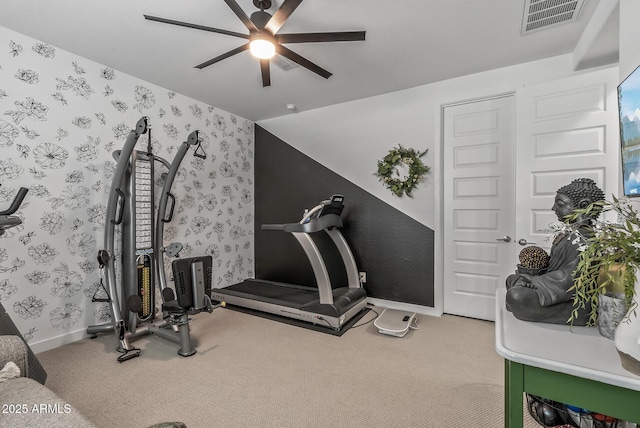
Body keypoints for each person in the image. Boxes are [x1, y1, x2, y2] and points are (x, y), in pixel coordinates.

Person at [505, 178, 605, 325]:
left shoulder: (585, 240)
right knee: (511, 279)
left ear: (583, 206)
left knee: (516, 296)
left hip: (571, 300)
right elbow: (555, 269)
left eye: (560, 204)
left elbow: (570, 279)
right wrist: (531, 275)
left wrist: (533, 281)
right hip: (551, 287)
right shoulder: (569, 234)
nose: (553, 208)